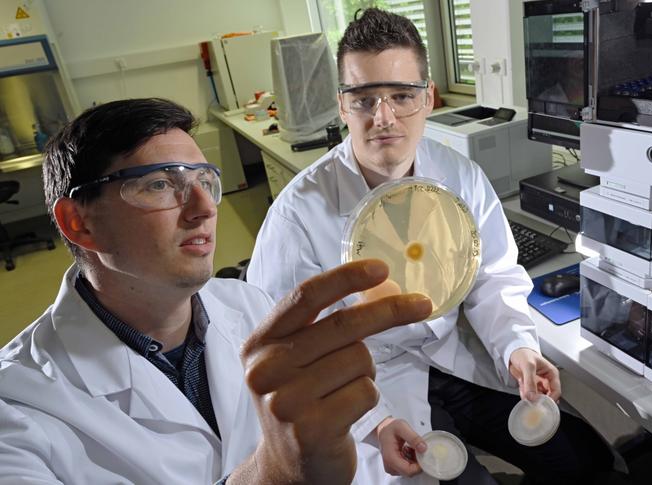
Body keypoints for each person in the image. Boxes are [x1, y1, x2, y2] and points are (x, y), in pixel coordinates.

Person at [248, 8, 612, 485]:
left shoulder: (460, 176)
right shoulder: (298, 213)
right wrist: (372, 423)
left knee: (583, 461)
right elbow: (294, 352)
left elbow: (491, 278)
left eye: (401, 95)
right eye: (364, 99)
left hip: (457, 355)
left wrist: (518, 350)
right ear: (342, 105)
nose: (384, 117)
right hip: (374, 385)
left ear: (428, 97)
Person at [0, 98, 433, 484]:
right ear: (80, 222)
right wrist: (275, 475)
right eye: (159, 184)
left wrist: (376, 424)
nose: (205, 208)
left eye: (204, 181)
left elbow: (303, 396)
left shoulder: (246, 303)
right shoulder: (17, 410)